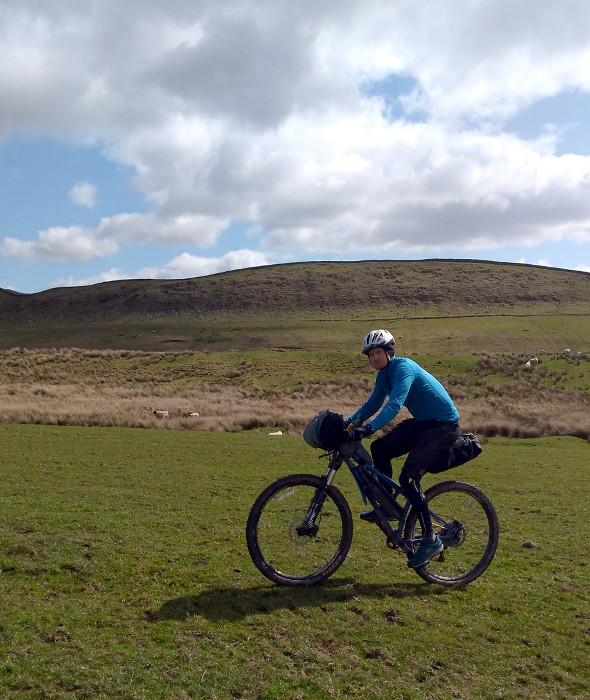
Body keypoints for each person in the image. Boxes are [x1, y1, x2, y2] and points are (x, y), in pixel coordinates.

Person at [344, 329, 460, 569]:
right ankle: (387, 506)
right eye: (371, 355)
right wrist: (346, 425)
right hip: (423, 423)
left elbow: (395, 403)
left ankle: (430, 539)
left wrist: (369, 428)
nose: (374, 358)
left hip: (443, 426)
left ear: (389, 352)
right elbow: (372, 404)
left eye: (378, 352)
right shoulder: (383, 376)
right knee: (380, 448)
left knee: (408, 479)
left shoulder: (403, 368)